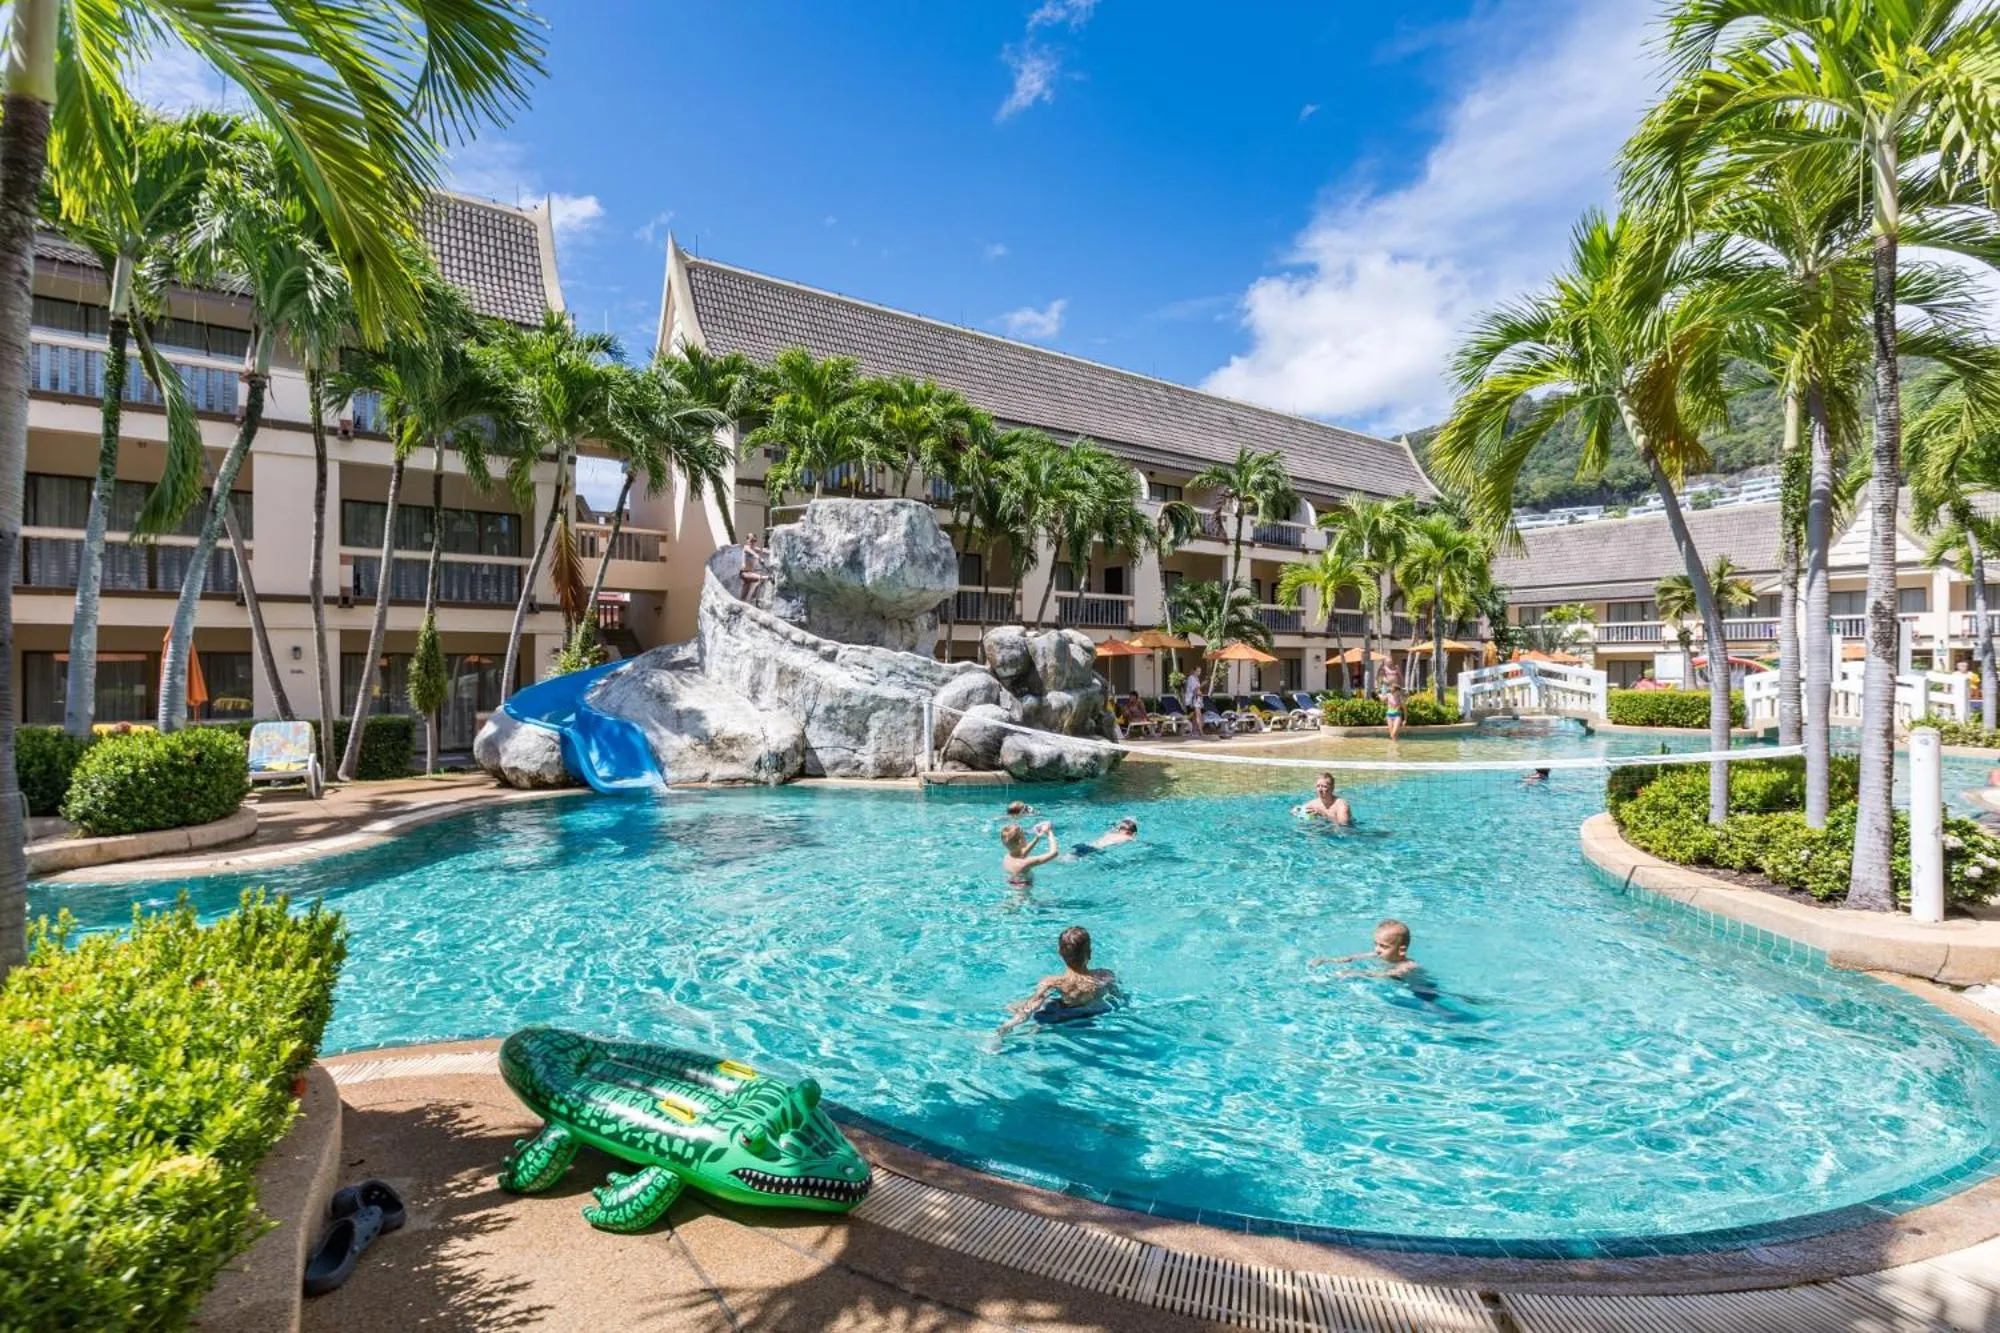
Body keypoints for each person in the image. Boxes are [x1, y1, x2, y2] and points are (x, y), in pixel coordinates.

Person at [996, 926, 1121, 1034]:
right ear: (1090, 952)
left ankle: (1006, 1029)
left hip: (1060, 1015)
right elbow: (1117, 997)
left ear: (1060, 952)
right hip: (1091, 1014)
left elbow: (1032, 1005)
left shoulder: (1052, 981)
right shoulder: (1105, 975)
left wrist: (1013, 1018)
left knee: (1012, 1006)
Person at [1310, 919, 1418, 980]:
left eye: (1383, 946)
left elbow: (1387, 974)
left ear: (1401, 950)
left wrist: (1358, 973)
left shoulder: (1408, 965)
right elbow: (1350, 958)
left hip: (1420, 989)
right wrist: (1326, 960)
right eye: (1376, 944)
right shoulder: (1377, 953)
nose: (1377, 949)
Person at [1000, 821, 1060, 888]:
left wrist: (1037, 838)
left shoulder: (1007, 857)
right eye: (1024, 836)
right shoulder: (1025, 863)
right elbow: (1054, 853)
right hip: (1023, 896)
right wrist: (1049, 832)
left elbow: (1022, 853)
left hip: (1012, 886)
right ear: (1020, 841)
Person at [1074, 817, 1138, 856]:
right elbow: (1136, 841)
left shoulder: (1111, 833)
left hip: (1086, 845)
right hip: (1094, 850)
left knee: (1068, 858)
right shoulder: (1128, 837)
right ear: (1134, 833)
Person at [739, 533, 768, 603]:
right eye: (751, 540)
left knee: (744, 594)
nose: (753, 542)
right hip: (745, 573)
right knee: (762, 578)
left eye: (755, 540)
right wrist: (759, 558)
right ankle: (752, 600)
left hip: (750, 573)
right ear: (747, 540)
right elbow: (753, 553)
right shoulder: (746, 547)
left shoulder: (755, 548)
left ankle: (751, 600)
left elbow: (764, 551)